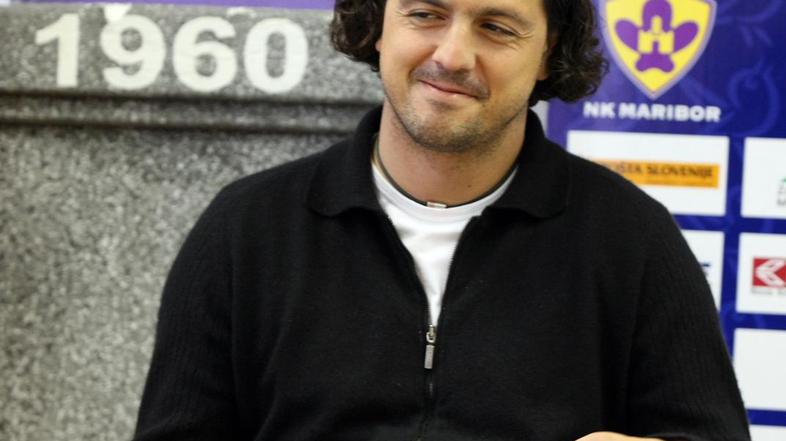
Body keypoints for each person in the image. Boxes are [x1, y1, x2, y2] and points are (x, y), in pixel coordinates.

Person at [133, 0, 751, 440]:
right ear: (378, 25)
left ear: (547, 53)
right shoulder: (246, 229)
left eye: (496, 27)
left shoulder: (633, 240)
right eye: (425, 14)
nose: (453, 56)